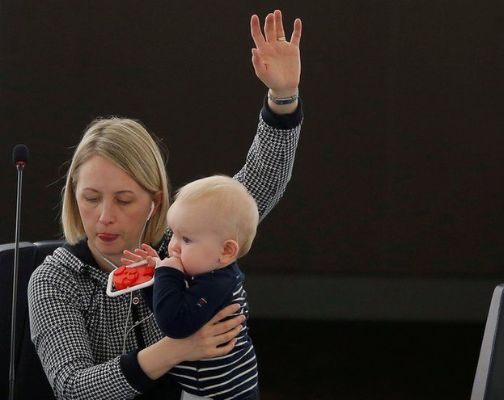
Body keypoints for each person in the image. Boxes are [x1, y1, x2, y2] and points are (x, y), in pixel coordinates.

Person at [27, 9, 302, 400]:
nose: (104, 216)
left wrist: (283, 97)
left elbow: (261, 179)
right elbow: (73, 388)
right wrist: (179, 348)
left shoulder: (183, 243)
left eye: (125, 200)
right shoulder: (56, 279)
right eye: (90, 198)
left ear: (156, 200)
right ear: (73, 195)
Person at [121, 176, 260, 399]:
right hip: (198, 390)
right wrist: (155, 278)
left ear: (226, 251)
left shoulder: (217, 284)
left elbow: (174, 325)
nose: (173, 246)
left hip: (226, 394)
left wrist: (166, 273)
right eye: (174, 233)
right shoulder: (203, 270)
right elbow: (163, 311)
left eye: (186, 239)